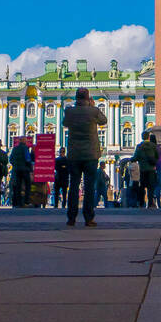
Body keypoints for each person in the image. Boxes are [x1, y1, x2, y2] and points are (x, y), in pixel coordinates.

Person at [63, 87, 107, 227]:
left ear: (76, 98)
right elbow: (103, 121)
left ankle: (71, 217)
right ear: (88, 98)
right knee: (89, 188)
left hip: (74, 154)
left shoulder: (69, 111)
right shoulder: (93, 111)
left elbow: (65, 123)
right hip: (90, 155)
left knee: (74, 186)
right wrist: (92, 106)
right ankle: (88, 218)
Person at [132, 131, 159, 209]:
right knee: (151, 188)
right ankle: (150, 204)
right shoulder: (153, 146)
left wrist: (131, 160)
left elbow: (135, 157)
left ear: (142, 137)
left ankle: (141, 203)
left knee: (142, 187)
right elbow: (157, 157)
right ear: (148, 137)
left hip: (143, 170)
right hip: (151, 170)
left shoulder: (139, 146)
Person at [9, 139, 33, 207]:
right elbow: (28, 159)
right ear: (24, 142)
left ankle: (18, 202)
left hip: (16, 170)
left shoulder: (14, 149)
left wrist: (15, 165)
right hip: (25, 170)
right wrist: (30, 169)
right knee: (28, 184)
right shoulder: (25, 148)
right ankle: (26, 201)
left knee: (18, 186)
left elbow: (11, 159)